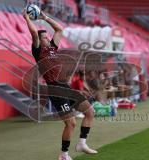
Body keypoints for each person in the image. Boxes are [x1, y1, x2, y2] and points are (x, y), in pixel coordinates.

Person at [23, 8, 97, 160]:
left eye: (47, 37)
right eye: (45, 37)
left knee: (90, 112)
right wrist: (27, 18)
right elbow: (33, 33)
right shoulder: (37, 51)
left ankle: (82, 143)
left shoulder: (52, 48)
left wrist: (45, 17)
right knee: (70, 123)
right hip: (55, 89)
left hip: (66, 87)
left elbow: (59, 29)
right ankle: (64, 155)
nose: (47, 38)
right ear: (39, 40)